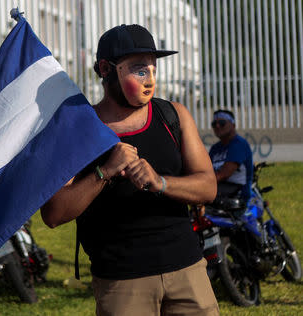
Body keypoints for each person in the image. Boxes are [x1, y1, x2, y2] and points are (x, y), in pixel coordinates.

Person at [41, 24, 219, 316]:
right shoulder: (79, 131)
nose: (149, 79)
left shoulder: (174, 115)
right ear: (105, 69)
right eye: (138, 70)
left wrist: (160, 182)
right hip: (122, 282)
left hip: (188, 270)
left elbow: (208, 187)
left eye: (152, 69)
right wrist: (104, 172)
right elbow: (53, 214)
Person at [209, 110, 253, 202]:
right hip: (219, 198)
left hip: (237, 200)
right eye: (214, 124)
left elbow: (223, 174)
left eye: (222, 123)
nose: (217, 126)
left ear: (233, 125)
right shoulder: (215, 148)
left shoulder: (239, 144)